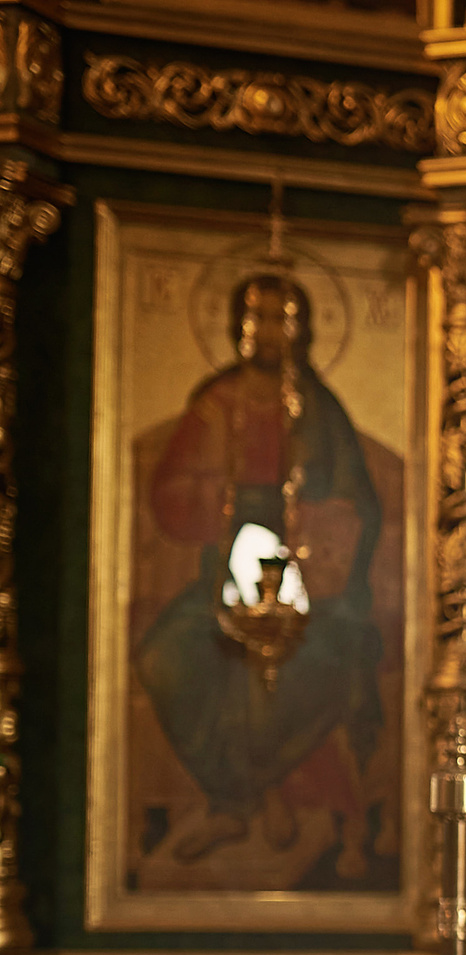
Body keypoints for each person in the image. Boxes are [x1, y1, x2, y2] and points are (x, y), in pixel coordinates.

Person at [140, 270, 385, 878]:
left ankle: (244, 798)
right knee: (165, 657)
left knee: (308, 665)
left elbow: (361, 502)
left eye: (281, 318)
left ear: (299, 331)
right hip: (223, 576)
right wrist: (214, 494)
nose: (266, 331)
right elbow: (166, 493)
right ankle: (242, 799)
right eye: (256, 317)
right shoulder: (214, 403)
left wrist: (317, 521)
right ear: (236, 325)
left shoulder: (319, 410)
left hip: (311, 587)